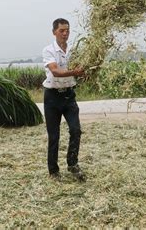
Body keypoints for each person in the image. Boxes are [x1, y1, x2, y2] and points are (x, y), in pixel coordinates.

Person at [42, 18, 86, 181]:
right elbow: (55, 71)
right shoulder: (49, 50)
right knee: (54, 136)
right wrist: (76, 72)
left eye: (67, 30)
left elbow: (82, 69)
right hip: (52, 97)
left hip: (69, 96)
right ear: (54, 32)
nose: (65, 33)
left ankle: (72, 164)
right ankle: (53, 171)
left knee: (76, 130)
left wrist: (86, 72)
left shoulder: (74, 51)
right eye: (61, 30)